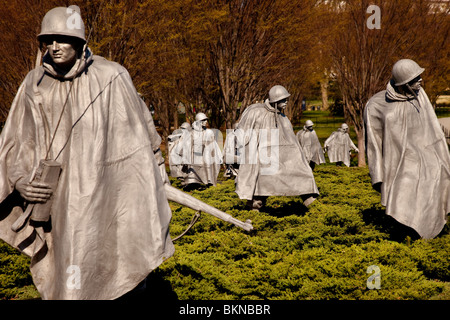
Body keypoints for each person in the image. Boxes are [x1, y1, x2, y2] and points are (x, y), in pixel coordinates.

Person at [0, 6, 174, 299]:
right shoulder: (34, 83)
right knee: (67, 275)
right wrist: (19, 181)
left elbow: (142, 140)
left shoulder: (112, 77)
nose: (54, 47)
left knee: (118, 264)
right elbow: (15, 143)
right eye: (49, 40)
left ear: (80, 42)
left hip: (108, 194)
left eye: (63, 39)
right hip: (60, 202)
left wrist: (156, 178)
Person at [364, 58, 450, 239]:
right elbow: (373, 142)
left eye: (419, 77)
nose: (420, 81)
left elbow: (433, 129)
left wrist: (442, 158)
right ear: (403, 83)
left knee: (438, 181)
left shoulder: (421, 96)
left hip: (427, 157)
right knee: (404, 197)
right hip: (400, 163)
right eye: (415, 79)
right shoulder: (376, 105)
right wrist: (378, 177)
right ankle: (406, 234)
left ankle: (429, 234)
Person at [235, 85, 319, 210]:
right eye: (283, 100)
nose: (286, 102)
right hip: (262, 158)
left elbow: (293, 143)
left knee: (303, 173)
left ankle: (311, 203)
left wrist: (300, 160)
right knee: (260, 184)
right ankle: (253, 210)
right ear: (275, 100)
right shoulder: (257, 113)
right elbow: (242, 133)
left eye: (286, 99)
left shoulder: (283, 118)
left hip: (283, 158)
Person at [174, 113, 222, 189]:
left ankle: (208, 182)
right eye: (203, 120)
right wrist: (185, 158)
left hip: (205, 157)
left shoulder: (208, 132)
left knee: (207, 169)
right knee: (193, 177)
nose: (206, 121)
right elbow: (186, 145)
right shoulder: (191, 132)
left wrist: (218, 156)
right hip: (194, 158)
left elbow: (213, 146)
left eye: (206, 120)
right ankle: (193, 186)